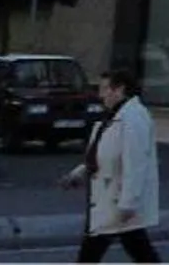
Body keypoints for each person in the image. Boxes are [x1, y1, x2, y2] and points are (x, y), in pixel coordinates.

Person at [62, 67, 161, 262]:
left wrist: (128, 203)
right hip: (110, 199)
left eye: (104, 88)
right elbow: (102, 154)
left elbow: (136, 162)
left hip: (116, 202)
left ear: (119, 90)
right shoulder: (114, 116)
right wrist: (79, 173)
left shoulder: (134, 118)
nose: (101, 94)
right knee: (140, 251)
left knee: (91, 254)